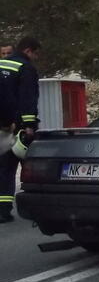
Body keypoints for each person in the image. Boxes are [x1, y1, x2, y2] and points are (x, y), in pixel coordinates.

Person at [0, 36, 41, 223]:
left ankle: (3, 209)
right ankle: (38, 208)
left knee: (4, 169)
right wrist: (29, 126)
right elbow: (27, 99)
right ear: (28, 51)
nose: (36, 58)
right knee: (29, 165)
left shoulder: (2, 65)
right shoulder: (26, 68)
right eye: (35, 54)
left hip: (3, 126)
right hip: (17, 128)